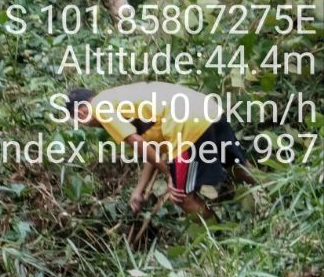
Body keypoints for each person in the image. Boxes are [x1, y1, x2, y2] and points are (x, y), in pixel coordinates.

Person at [66, 82, 254, 220]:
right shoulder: (119, 100)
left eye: (80, 121)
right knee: (237, 165)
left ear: (82, 111)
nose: (87, 125)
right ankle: (274, 197)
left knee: (181, 196)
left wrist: (169, 174)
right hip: (207, 110)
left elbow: (137, 143)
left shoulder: (99, 107)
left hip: (185, 126)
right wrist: (138, 191)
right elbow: (151, 148)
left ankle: (219, 240)